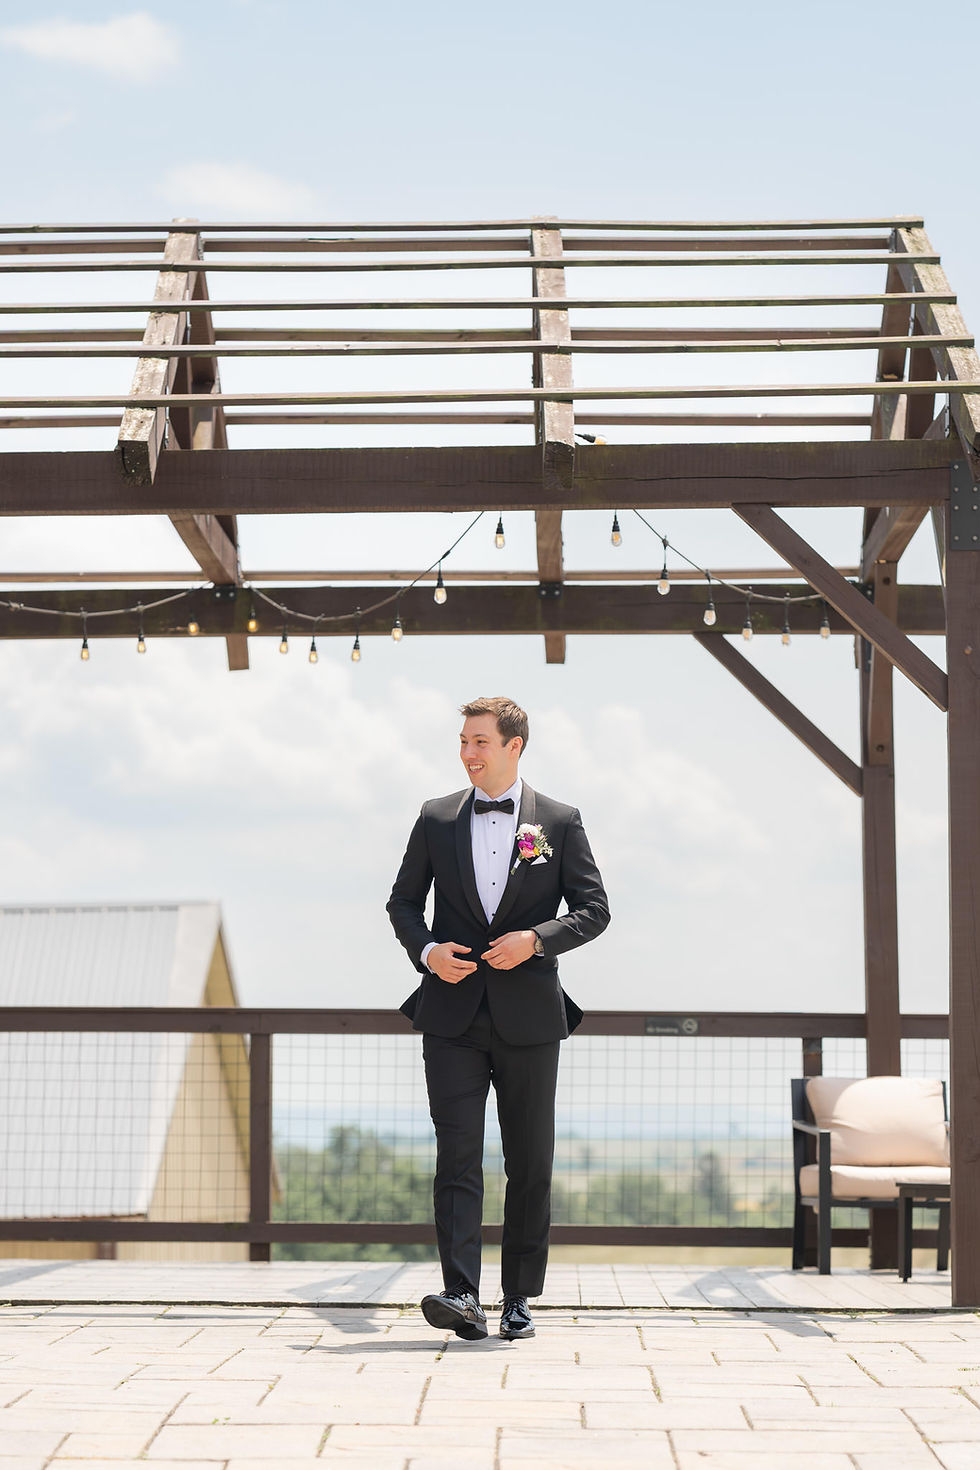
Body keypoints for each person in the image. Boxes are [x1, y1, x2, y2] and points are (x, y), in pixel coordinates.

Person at [387, 695, 609, 1341]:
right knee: (456, 1159)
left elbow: (594, 909)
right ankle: (462, 1295)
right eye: (463, 741)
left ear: (514, 746)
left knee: (528, 1161)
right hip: (450, 1016)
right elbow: (402, 903)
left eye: (480, 742)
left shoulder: (560, 822)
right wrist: (427, 952)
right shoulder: (434, 819)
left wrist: (535, 940)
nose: (468, 754)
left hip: (531, 1019)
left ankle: (518, 1298)